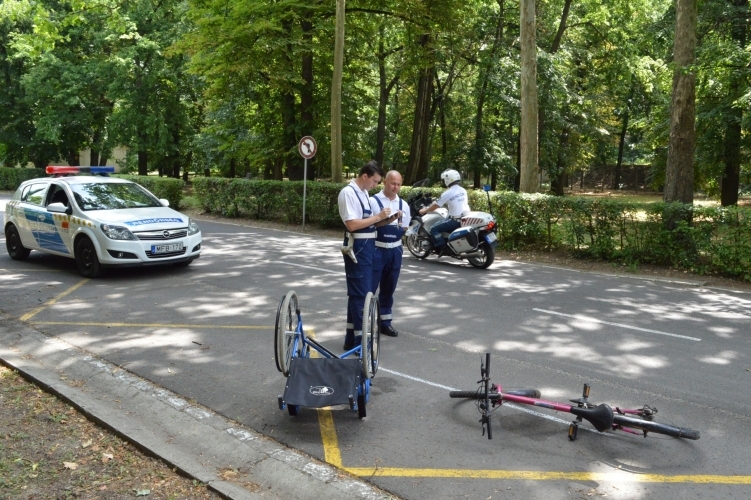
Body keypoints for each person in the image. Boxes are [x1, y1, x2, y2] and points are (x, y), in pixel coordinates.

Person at [338, 160, 399, 351]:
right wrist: (378, 217)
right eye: (374, 181)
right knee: (361, 295)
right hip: (358, 247)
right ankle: (360, 344)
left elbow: (368, 223)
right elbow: (352, 225)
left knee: (359, 294)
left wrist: (386, 220)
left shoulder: (363, 193)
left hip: (367, 246)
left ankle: (351, 339)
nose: (375, 185)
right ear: (365, 176)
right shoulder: (348, 193)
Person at [369, 170, 410, 338]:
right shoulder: (373, 201)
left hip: (395, 251)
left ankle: (385, 323)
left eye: (398, 184)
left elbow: (404, 227)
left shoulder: (404, 204)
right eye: (393, 183)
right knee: (369, 289)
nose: (395, 187)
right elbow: (367, 225)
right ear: (385, 182)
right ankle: (365, 323)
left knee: (389, 288)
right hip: (377, 249)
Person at [418, 169, 470, 253]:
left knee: (433, 229)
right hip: (465, 217)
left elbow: (435, 206)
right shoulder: (463, 190)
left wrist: (424, 211)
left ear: (448, 180)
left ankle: (442, 246)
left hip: (455, 221)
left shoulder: (448, 193)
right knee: (445, 219)